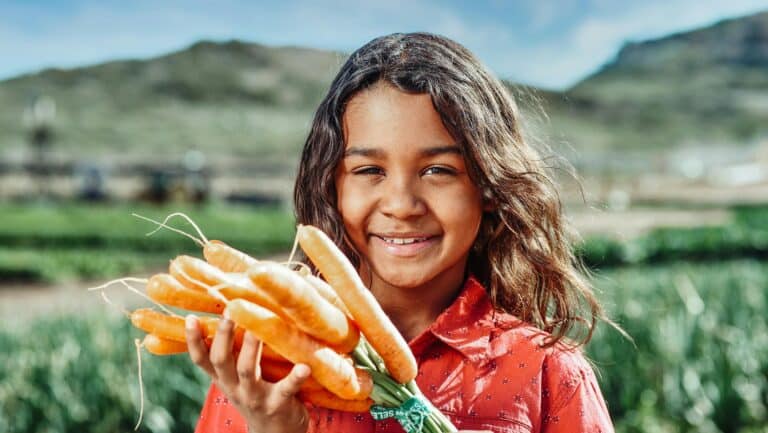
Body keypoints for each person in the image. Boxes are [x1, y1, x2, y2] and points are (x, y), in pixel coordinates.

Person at [185, 32, 615, 433]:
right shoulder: (258, 370)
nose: (402, 205)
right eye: (369, 170)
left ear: (487, 186)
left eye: (438, 170)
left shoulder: (546, 373)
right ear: (332, 186)